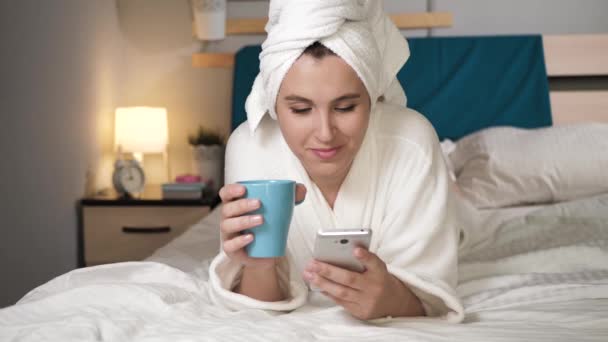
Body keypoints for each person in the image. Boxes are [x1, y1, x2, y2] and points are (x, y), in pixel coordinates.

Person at [208, 0, 464, 322]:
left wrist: (391, 299)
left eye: (345, 108)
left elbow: (431, 295)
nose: (325, 133)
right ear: (273, 105)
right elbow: (259, 304)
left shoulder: (411, 140)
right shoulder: (251, 145)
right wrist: (260, 266)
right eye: (301, 110)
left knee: (465, 221)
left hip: (440, 203)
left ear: (372, 98)